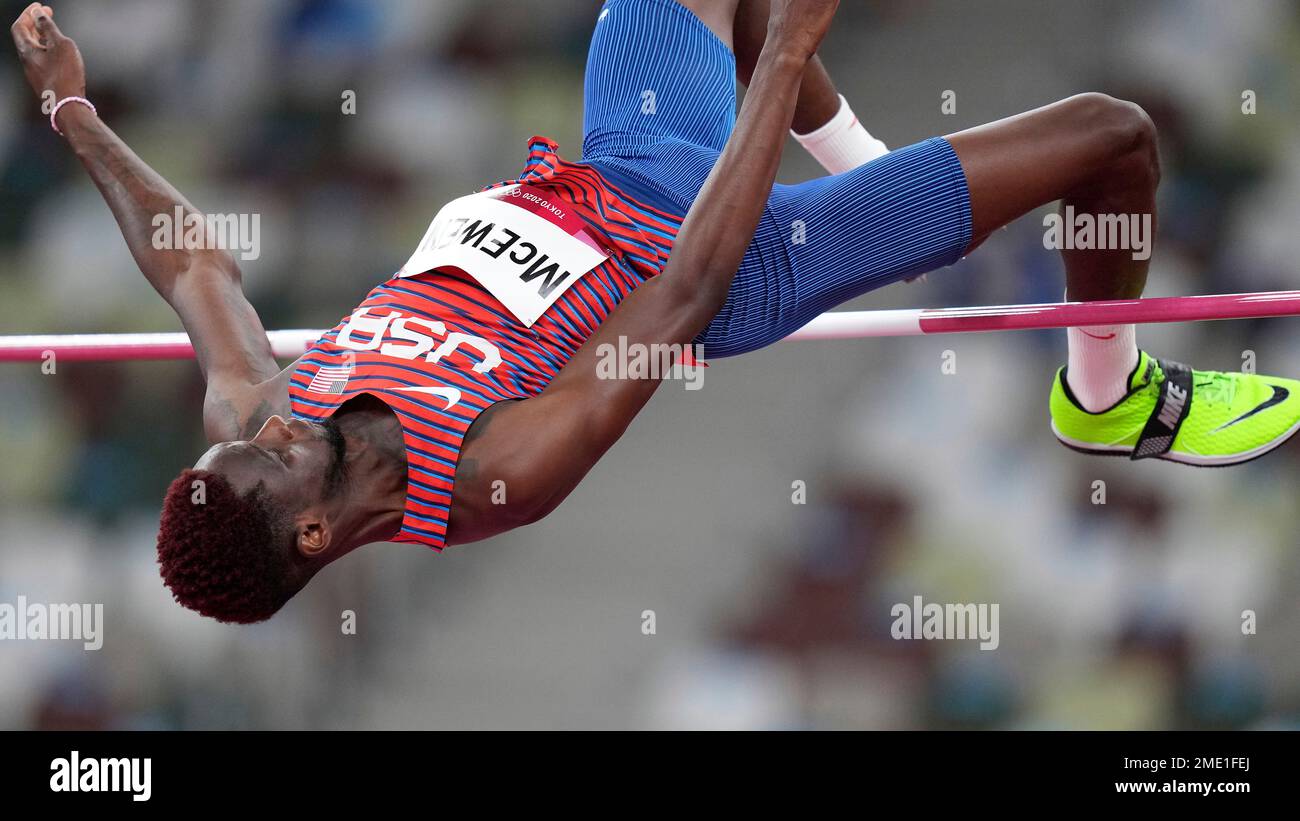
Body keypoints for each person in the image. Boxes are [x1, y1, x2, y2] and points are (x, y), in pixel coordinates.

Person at [11, 0, 1299, 624]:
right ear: (307, 531)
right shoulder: (499, 472)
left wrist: (74, 113)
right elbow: (684, 290)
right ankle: (1110, 393)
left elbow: (194, 269)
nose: (278, 414)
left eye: (252, 426)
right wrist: (783, 56)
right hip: (730, 256)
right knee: (1110, 136)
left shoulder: (255, 418)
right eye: (278, 450)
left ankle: (892, 193)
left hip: (612, 150)